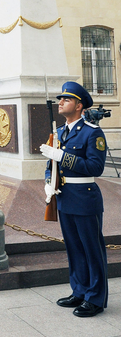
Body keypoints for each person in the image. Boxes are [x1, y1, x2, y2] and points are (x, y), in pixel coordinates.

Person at [41, 81, 108, 318]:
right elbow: (51, 165)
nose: (60, 103)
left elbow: (95, 167)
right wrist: (49, 181)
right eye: (60, 99)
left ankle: (95, 298)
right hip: (64, 197)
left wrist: (62, 155)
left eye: (66, 100)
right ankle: (79, 291)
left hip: (85, 197)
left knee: (92, 249)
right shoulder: (59, 132)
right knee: (74, 248)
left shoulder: (92, 132)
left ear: (79, 106)